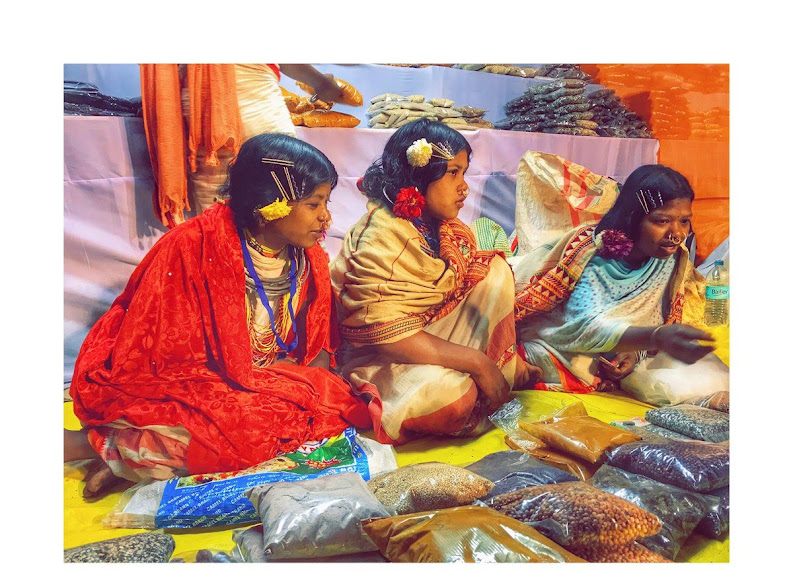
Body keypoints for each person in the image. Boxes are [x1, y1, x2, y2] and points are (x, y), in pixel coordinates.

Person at [66, 133, 374, 498]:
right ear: (269, 204)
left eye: (326, 202)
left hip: (264, 378)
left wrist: (297, 385)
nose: (326, 217)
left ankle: (129, 460)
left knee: (338, 411)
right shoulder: (191, 246)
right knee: (243, 434)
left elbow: (314, 353)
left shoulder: (307, 257)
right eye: (313, 204)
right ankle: (99, 446)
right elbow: (161, 357)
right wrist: (250, 387)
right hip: (191, 378)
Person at [329, 119, 541, 446]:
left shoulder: (442, 227)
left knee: (495, 271)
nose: (464, 187)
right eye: (453, 172)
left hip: (426, 337)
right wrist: (478, 363)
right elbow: (385, 334)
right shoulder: (381, 235)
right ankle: (472, 378)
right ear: (419, 174)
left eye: (464, 173)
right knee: (452, 401)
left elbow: (459, 295)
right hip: (379, 356)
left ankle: (493, 370)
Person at [513, 164, 717, 394]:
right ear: (633, 218)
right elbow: (580, 327)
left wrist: (634, 351)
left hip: (606, 350)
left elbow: (649, 319)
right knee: (534, 364)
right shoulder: (593, 252)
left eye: (684, 221)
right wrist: (654, 338)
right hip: (553, 341)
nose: (677, 234)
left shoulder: (669, 258)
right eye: (662, 221)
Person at [141, 63, 350, 227]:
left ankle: (222, 266)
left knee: (215, 213)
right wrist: (322, 84)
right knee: (284, 209)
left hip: (203, 108)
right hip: (254, 99)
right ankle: (283, 268)